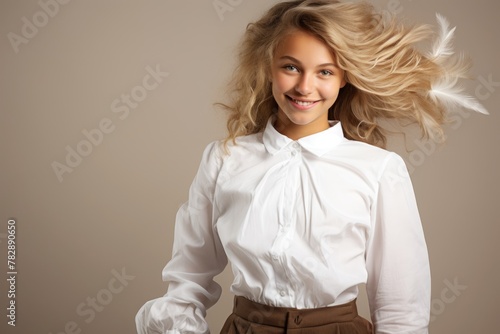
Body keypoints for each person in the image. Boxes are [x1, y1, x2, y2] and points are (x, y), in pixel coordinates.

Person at [135, 1, 487, 333]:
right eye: (291, 67)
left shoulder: (379, 169)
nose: (305, 86)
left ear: (344, 77)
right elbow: (187, 279)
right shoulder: (224, 159)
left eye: (325, 71)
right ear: (268, 66)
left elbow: (401, 308)